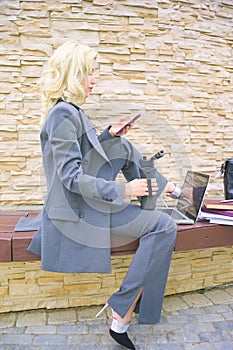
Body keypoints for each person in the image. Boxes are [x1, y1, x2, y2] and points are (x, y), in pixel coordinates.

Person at [28, 40, 180, 349]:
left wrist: (106, 135)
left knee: (120, 146)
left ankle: (166, 190)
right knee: (163, 225)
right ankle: (121, 309)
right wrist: (125, 189)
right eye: (89, 73)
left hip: (86, 205)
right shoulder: (62, 115)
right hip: (75, 215)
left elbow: (83, 155)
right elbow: (70, 177)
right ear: (74, 74)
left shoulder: (72, 112)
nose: (94, 79)